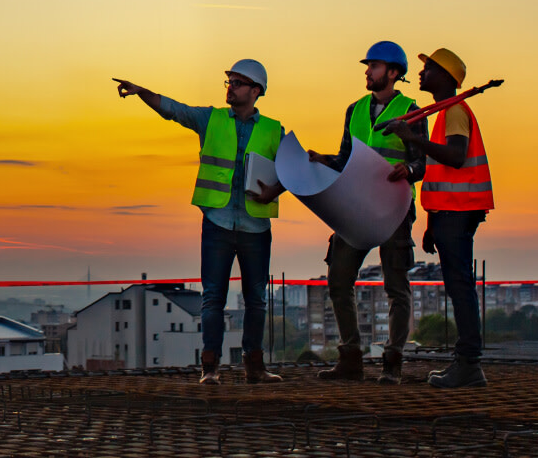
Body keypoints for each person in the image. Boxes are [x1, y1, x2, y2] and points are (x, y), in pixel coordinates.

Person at [113, 59, 286, 385]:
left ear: (256, 91)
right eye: (229, 82)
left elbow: (295, 170)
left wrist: (274, 189)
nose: (230, 87)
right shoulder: (212, 118)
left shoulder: (274, 130)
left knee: (257, 299)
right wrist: (141, 93)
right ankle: (210, 369)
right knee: (212, 298)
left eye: (237, 82)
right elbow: (173, 109)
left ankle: (255, 367)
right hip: (218, 222)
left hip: (255, 227)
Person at [308, 41, 428, 385]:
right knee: (338, 279)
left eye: (373, 66)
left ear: (393, 73)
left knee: (396, 286)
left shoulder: (411, 110)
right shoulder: (355, 109)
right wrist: (324, 160)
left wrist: (410, 169)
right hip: (355, 207)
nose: (367, 71)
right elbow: (348, 156)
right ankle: (350, 359)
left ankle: (393, 362)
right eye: (368, 66)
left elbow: (424, 161)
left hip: (393, 209)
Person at [384, 48, 494, 388]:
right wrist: (433, 222)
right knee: (458, 286)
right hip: (450, 213)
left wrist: (413, 139)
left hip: (459, 213)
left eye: (428, 67)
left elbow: (456, 158)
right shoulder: (447, 113)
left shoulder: (456, 111)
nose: (421, 72)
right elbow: (441, 172)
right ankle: (466, 363)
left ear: (446, 77)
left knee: (460, 287)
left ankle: (469, 364)